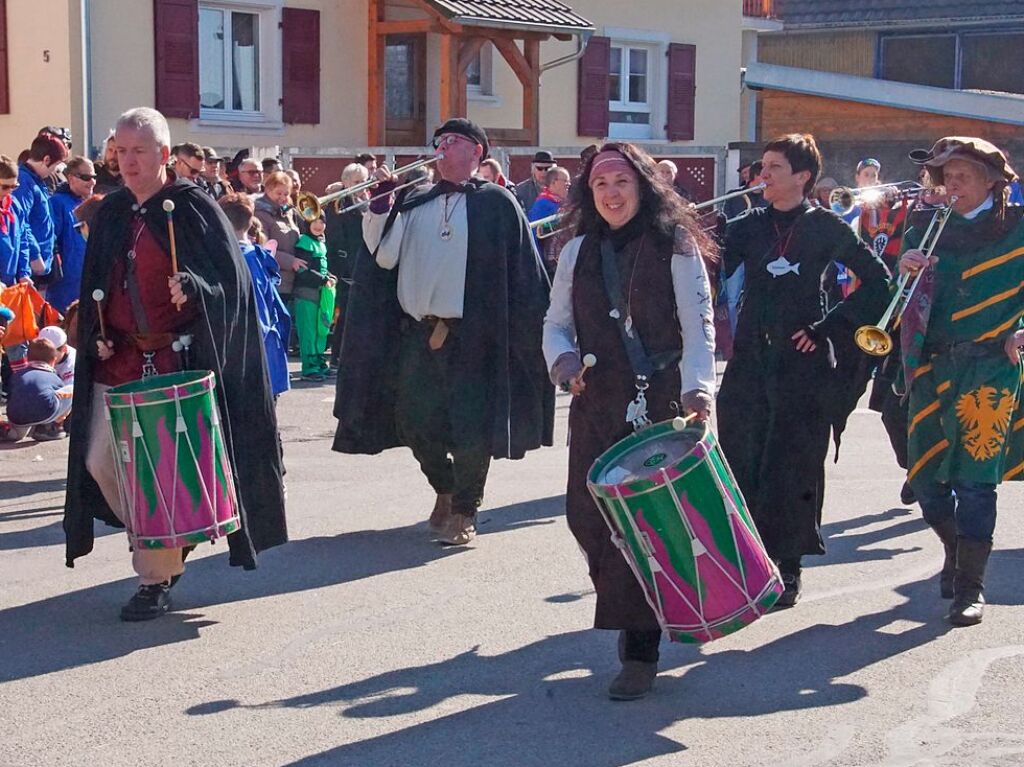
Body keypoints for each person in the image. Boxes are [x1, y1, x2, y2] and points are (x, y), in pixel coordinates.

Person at [64, 107, 287, 621]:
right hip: (117, 360)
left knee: (160, 472)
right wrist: (96, 334)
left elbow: (232, 285)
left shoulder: (193, 209)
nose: (128, 162)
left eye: (139, 151)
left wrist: (194, 286)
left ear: (164, 155)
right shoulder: (114, 211)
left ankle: (155, 576)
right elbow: (97, 285)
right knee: (100, 462)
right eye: (120, 152)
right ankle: (172, 533)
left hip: (176, 361)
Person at [543, 142, 717, 701]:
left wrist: (698, 388)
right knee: (589, 521)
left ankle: (639, 651)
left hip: (659, 399)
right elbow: (556, 323)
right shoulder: (576, 251)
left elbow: (700, 326)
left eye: (621, 181)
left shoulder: (676, 244)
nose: (612, 193)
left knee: (644, 524)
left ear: (642, 185)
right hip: (596, 403)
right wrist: (563, 361)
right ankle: (634, 623)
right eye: (600, 185)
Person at [334, 117, 553, 546]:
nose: (441, 147)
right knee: (415, 421)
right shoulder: (414, 199)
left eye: (451, 142)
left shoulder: (498, 203)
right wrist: (379, 207)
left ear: (476, 152)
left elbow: (524, 275)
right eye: (438, 141)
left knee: (472, 428)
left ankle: (465, 509)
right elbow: (382, 257)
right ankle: (445, 487)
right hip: (419, 333)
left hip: (474, 336)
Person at [717, 133, 889, 608]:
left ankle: (787, 567)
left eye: (773, 167)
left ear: (802, 176)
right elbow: (705, 267)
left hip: (802, 364)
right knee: (741, 457)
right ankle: (746, 563)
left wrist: (829, 326)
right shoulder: (745, 226)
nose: (762, 175)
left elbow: (880, 282)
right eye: (762, 167)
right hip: (750, 359)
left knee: (793, 465)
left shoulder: (827, 226)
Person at [900, 137, 1023, 626]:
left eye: (963, 177)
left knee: (975, 483)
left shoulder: (1017, 229)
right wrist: (903, 273)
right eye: (946, 177)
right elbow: (902, 297)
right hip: (932, 367)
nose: (952, 185)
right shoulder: (926, 226)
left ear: (992, 181)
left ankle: (970, 588)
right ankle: (956, 550)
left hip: (990, 367)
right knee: (926, 480)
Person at [219, 193, 291, 398]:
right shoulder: (256, 256)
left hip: (250, 356)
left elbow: (259, 313)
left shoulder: (243, 259)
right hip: (264, 354)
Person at [324, 163, 370, 370]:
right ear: (345, 182)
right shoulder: (339, 202)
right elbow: (335, 236)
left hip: (362, 261)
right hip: (345, 265)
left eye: (363, 181)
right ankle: (337, 356)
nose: (361, 185)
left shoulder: (367, 200)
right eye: (356, 182)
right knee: (343, 314)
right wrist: (342, 266)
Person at [13, 131, 67, 282]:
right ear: (46, 159)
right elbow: (21, 221)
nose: (54, 172)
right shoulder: (24, 182)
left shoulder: (36, 182)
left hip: (41, 263)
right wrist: (34, 254)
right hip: (31, 265)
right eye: (55, 166)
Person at [721, 160, 766, 336]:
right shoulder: (734, 196)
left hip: (761, 255)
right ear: (755, 176)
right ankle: (734, 339)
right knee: (732, 300)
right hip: (738, 254)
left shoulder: (770, 198)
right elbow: (727, 224)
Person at [47, 156, 96, 314]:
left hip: (87, 283)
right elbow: (51, 242)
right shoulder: (57, 203)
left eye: (94, 177)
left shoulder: (93, 204)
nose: (92, 182)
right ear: (71, 178)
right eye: (86, 177)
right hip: (64, 287)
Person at [254, 171, 304, 326]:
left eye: (286, 193)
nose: (283, 198)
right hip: (275, 280)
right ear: (268, 190)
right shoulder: (261, 214)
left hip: (291, 280)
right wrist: (290, 261)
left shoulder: (289, 213)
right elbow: (263, 246)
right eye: (278, 193)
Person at [0, 337, 73, 442]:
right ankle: (52, 427)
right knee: (70, 389)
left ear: (27, 358)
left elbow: (12, 393)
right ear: (53, 361)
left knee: (16, 435)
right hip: (45, 412)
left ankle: (7, 431)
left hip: (17, 416)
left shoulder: (17, 374)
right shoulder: (53, 377)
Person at [293, 214, 336, 381]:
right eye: (315, 221)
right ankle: (309, 368)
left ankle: (319, 363)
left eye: (322, 222)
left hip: (321, 294)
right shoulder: (304, 241)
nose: (319, 225)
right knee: (308, 331)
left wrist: (331, 277)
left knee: (321, 330)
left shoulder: (320, 242)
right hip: (306, 293)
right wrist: (323, 279)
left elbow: (323, 268)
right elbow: (303, 269)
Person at [527, 165, 571, 266]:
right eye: (565, 180)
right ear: (554, 182)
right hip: (550, 263)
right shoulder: (543, 204)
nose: (569, 184)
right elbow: (536, 234)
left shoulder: (560, 203)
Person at [0, 155, 31, 287]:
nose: (10, 191)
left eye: (14, 186)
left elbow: (22, 240)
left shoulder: (14, 206)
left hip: (9, 284)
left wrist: (23, 273)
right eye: (5, 187)